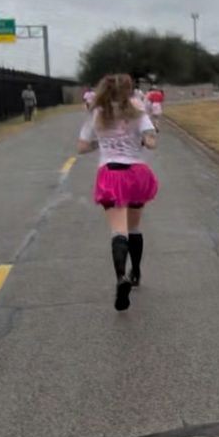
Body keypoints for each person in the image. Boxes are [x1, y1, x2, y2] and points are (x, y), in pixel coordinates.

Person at [77, 74, 159, 311]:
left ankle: (120, 276)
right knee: (134, 227)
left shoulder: (98, 113)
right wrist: (144, 141)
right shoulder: (137, 110)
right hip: (137, 172)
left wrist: (101, 144)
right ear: (129, 90)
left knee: (118, 230)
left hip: (112, 173)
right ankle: (136, 271)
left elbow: (82, 147)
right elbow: (151, 140)